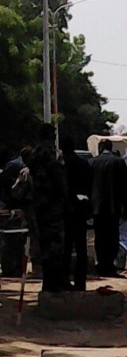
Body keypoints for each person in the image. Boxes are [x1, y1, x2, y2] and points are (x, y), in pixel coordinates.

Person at [27, 123, 69, 292]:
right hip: (52, 204)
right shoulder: (49, 153)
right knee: (56, 245)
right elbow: (57, 178)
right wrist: (66, 200)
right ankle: (56, 282)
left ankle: (49, 282)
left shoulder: (34, 153)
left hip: (40, 204)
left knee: (45, 244)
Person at [90, 138, 127, 277]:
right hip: (113, 207)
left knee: (99, 236)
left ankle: (101, 264)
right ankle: (109, 265)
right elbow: (124, 187)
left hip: (96, 207)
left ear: (100, 148)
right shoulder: (119, 162)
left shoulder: (92, 162)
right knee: (112, 236)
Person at [60, 135, 92, 290]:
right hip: (80, 209)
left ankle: (64, 279)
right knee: (81, 247)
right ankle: (81, 281)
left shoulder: (60, 165)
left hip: (64, 211)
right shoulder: (82, 163)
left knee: (65, 248)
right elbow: (89, 187)